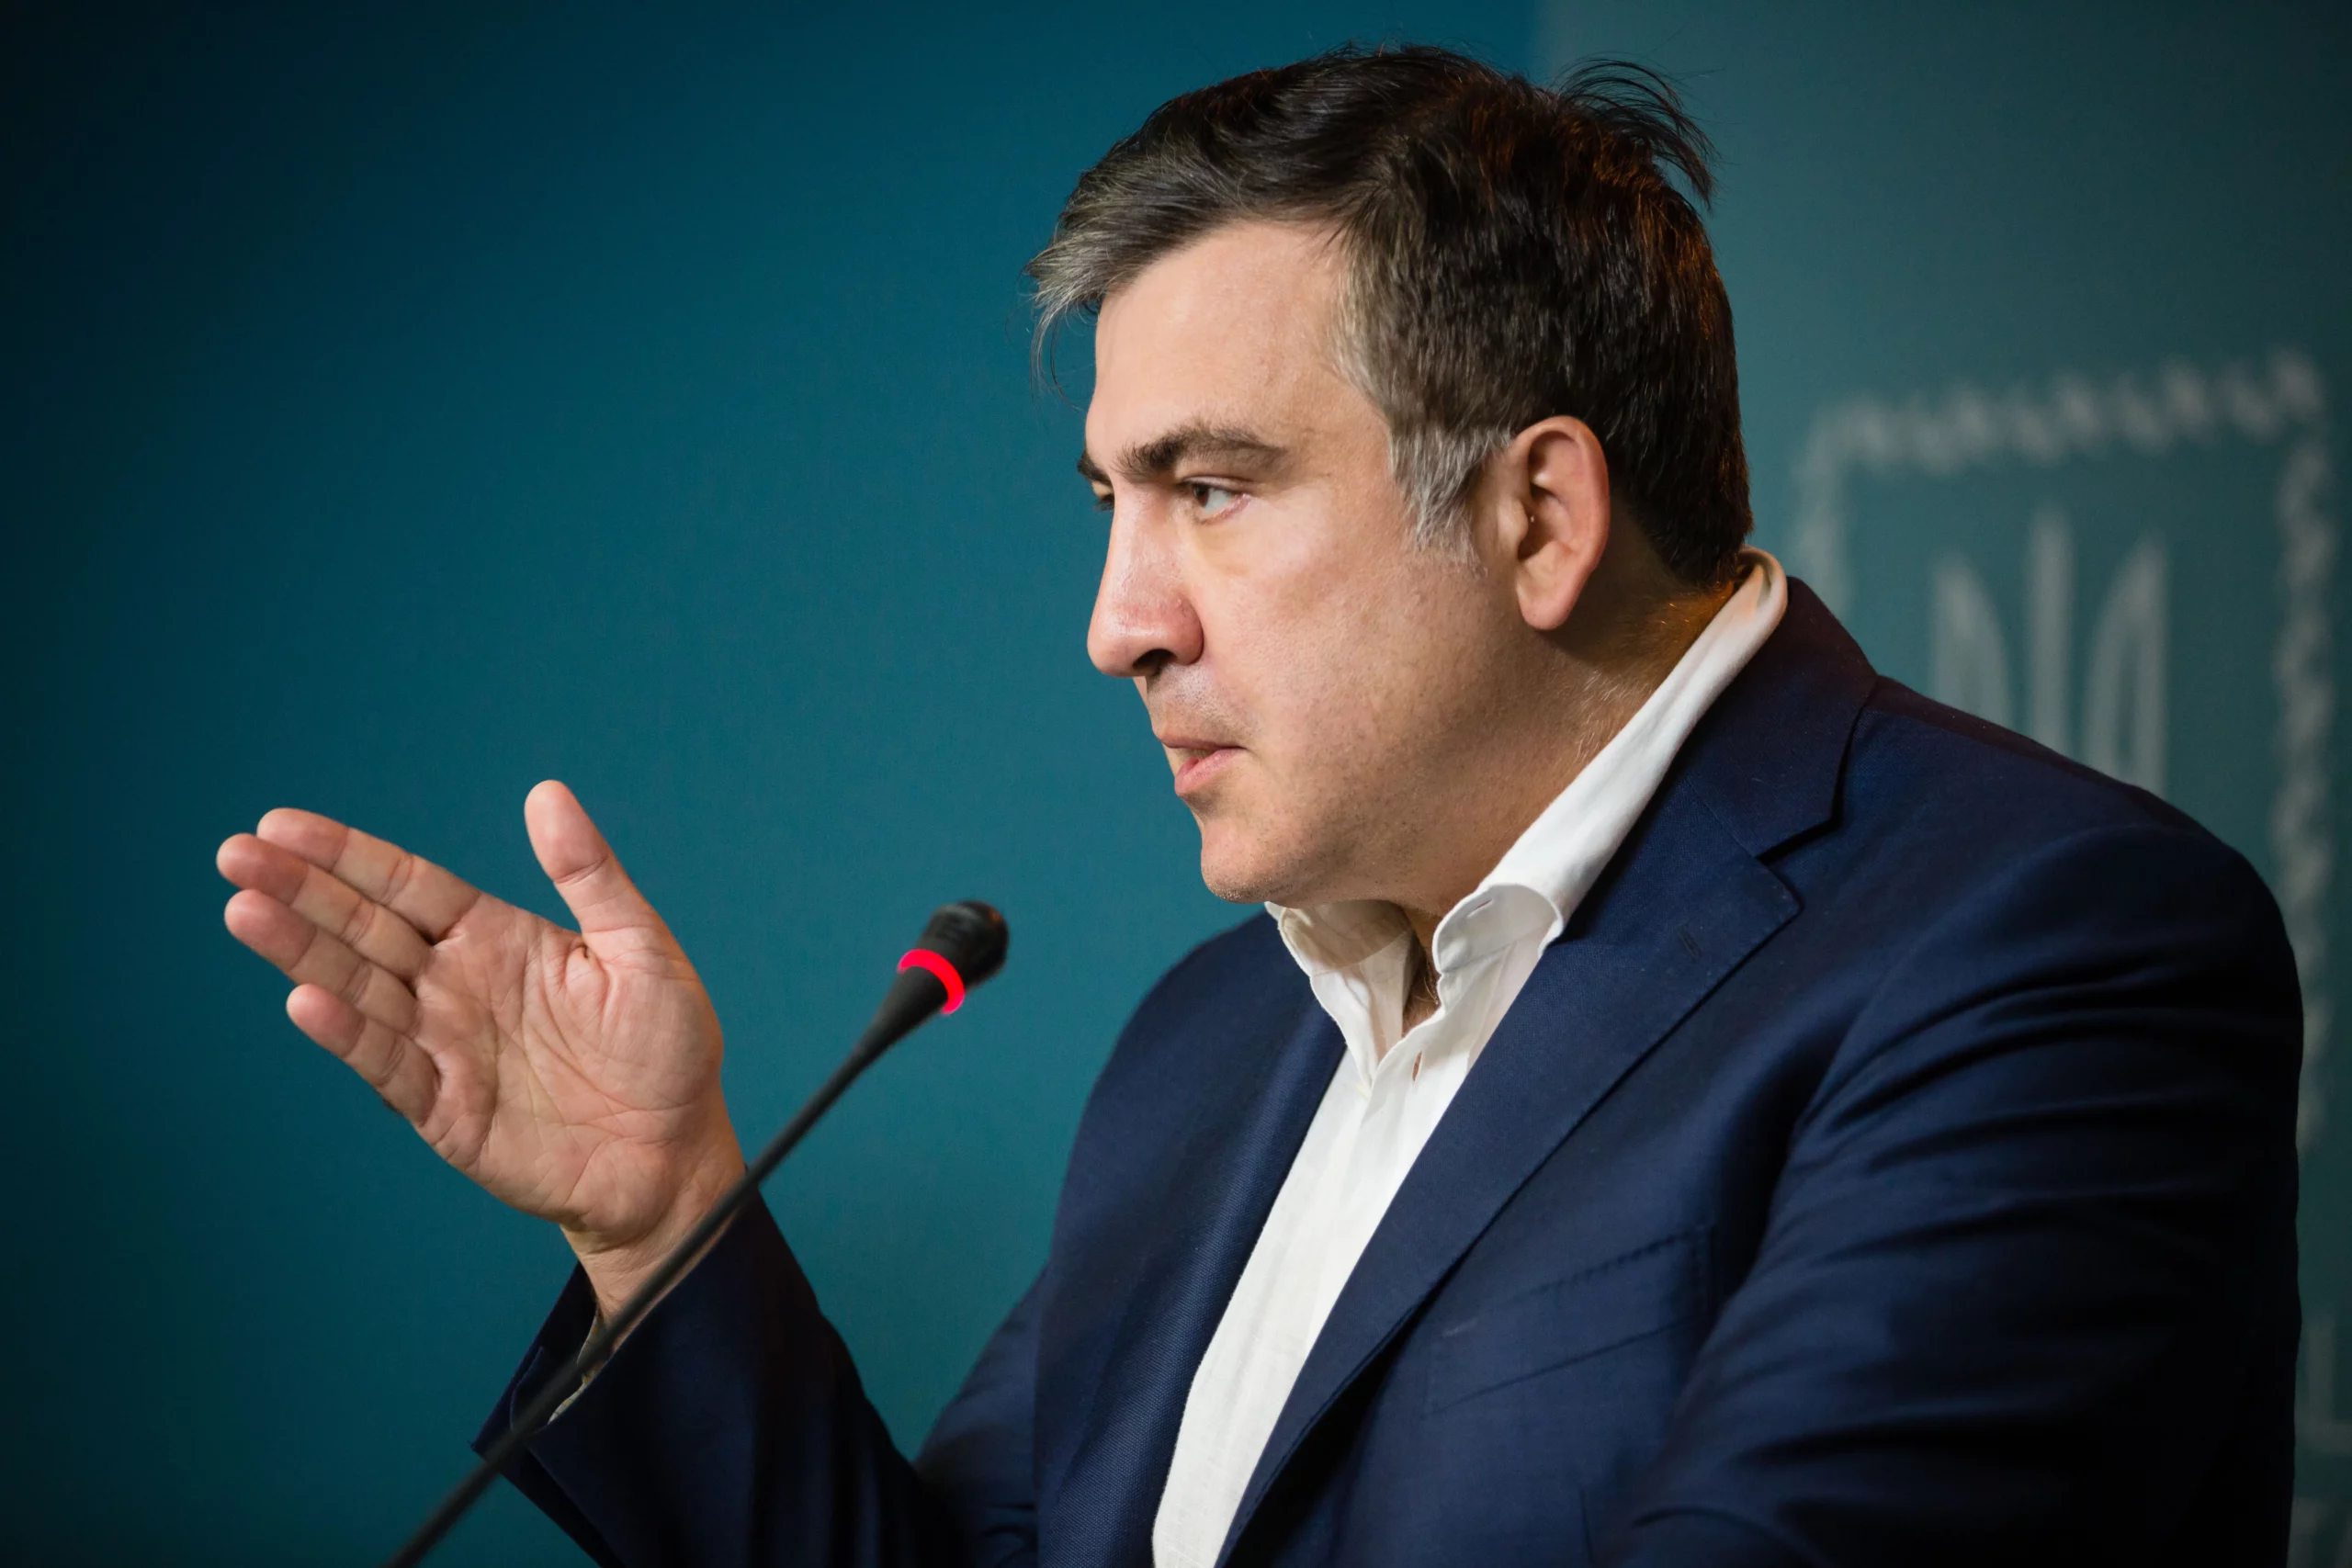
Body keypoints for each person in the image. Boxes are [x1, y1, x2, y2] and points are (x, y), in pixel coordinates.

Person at [215, 46, 2301, 1568]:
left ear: (1538, 513)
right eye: (1111, 503)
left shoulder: (2044, 952)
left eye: (1210, 488)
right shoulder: (1210, 1046)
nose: (1115, 624)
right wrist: (660, 1225)